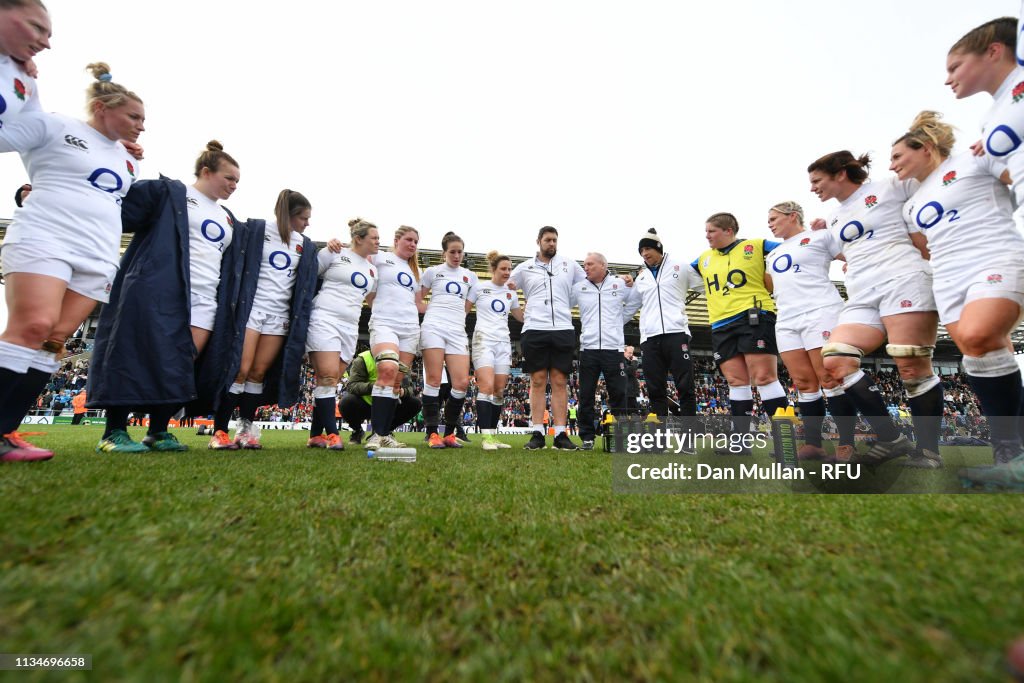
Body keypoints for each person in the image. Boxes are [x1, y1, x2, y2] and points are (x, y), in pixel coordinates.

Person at [0, 62, 144, 462]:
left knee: (53, 341)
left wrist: (130, 155)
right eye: (133, 116)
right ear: (102, 108)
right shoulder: (55, 126)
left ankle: (5, 431)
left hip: (97, 254)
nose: (141, 126)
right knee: (31, 326)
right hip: (46, 237)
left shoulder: (128, 158)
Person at [890, 111, 1024, 478]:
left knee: (979, 336)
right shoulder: (912, 205)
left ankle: (1010, 448)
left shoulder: (975, 159)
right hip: (947, 279)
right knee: (979, 350)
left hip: (994, 256)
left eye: (898, 156)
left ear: (927, 148)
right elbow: (923, 248)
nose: (893, 165)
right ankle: (1011, 452)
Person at [89, 141, 244, 453]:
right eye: (229, 178)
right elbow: (118, 208)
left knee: (181, 363)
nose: (234, 186)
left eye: (237, 181)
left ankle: (158, 431)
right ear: (206, 171)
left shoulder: (227, 217)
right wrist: (121, 163)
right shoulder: (170, 193)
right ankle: (113, 432)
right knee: (135, 353)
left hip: (205, 298)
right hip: (160, 288)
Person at [808, 150, 941, 466]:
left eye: (817, 181)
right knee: (836, 358)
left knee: (911, 366)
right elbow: (854, 249)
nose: (813, 188)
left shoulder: (890, 187)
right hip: (862, 294)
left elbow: (932, 187)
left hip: (904, 280)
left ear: (840, 173)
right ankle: (892, 439)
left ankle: (928, 452)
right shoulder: (837, 217)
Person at [205, 189, 318, 449]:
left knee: (257, 373)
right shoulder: (257, 231)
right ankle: (219, 431)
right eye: (303, 218)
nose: (307, 223)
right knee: (240, 370)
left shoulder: (304, 245)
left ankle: (245, 429)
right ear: (288, 216)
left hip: (279, 316)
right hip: (252, 309)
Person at [764, 201, 858, 462]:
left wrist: (853, 263)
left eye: (774, 218)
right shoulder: (772, 255)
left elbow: (854, 253)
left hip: (820, 312)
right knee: (804, 383)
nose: (769, 223)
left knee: (829, 378)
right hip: (787, 319)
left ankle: (847, 444)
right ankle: (814, 444)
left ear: (792, 215)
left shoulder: (819, 236)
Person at [690, 216, 788, 455]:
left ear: (729, 230)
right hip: (720, 324)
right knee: (736, 381)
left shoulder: (756, 245)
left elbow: (794, 248)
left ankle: (784, 440)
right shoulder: (703, 259)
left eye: (711, 231)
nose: (707, 235)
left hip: (754, 316)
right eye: (706, 231)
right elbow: (677, 273)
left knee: (764, 377)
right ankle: (741, 443)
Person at [508, 226, 586, 451]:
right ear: (538, 241)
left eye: (554, 240)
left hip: (563, 327)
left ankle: (561, 434)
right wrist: (518, 311)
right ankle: (537, 433)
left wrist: (622, 281)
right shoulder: (524, 268)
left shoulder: (569, 265)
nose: (552, 244)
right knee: (538, 380)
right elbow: (504, 286)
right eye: (547, 240)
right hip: (534, 329)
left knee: (560, 381)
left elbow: (589, 282)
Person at [305, 218, 378, 450]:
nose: (378, 242)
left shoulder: (372, 269)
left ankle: (315, 435)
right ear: (358, 239)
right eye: (374, 238)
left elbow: (373, 300)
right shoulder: (334, 253)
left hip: (350, 326)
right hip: (324, 317)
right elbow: (307, 275)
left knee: (331, 381)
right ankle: (333, 435)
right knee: (326, 377)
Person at [628, 229, 703, 427]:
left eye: (648, 248)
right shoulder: (641, 279)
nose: (644, 253)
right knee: (655, 389)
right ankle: (659, 440)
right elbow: (629, 307)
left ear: (658, 248)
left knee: (685, 387)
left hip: (676, 334)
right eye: (641, 250)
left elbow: (706, 287)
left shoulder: (681, 267)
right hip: (650, 338)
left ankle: (688, 438)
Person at [571, 252, 641, 450]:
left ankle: (620, 437)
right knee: (586, 394)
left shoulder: (618, 284)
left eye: (590, 264)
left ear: (603, 265)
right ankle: (587, 437)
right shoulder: (579, 287)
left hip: (613, 349)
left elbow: (636, 299)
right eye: (584, 264)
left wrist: (620, 320)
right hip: (588, 348)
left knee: (618, 393)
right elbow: (562, 302)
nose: (586, 268)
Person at [363, 225, 423, 451]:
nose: (413, 245)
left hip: (410, 328)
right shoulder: (380, 257)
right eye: (409, 239)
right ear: (397, 240)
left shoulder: (414, 271)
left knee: (397, 382)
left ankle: (385, 433)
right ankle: (376, 435)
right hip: (385, 323)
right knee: (387, 368)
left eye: (416, 242)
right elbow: (361, 266)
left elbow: (418, 304)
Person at [418, 231, 478, 449]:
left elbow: (466, 308)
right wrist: (434, 310)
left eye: (460, 252)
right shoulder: (433, 272)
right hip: (433, 327)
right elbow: (417, 301)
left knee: (461, 383)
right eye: (452, 252)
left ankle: (450, 433)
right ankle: (432, 433)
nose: (456, 255)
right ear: (444, 253)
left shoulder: (470, 277)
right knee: (433, 380)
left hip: (457, 331)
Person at [471, 250, 523, 451]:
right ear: (493, 269)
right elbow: (464, 310)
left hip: (503, 342)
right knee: (486, 387)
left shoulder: (511, 293)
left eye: (509, 269)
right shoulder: (479, 288)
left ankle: (493, 434)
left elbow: (520, 316)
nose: (507, 272)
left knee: (499, 390)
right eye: (503, 268)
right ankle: (485, 437)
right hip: (483, 340)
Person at [340, 350, 422, 440]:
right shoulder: (362, 359)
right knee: (346, 402)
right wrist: (377, 386)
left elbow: (409, 388)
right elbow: (352, 386)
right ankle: (357, 430)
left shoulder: (400, 359)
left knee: (415, 403)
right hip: (366, 403)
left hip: (390, 404)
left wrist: (402, 391)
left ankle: (386, 431)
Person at [0, 0, 49, 130]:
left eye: (48, 36)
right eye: (37, 28)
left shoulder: (25, 78)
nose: (47, 44)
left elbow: (37, 130)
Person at [623, 345, 641, 416]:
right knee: (632, 414)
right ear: (624, 352)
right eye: (629, 353)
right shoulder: (621, 361)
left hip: (631, 393)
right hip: (627, 393)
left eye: (632, 353)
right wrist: (634, 361)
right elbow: (630, 371)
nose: (631, 355)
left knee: (634, 414)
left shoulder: (628, 362)